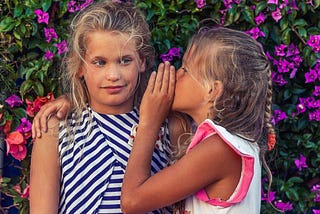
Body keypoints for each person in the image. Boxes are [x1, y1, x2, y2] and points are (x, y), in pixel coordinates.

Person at [29, 1, 182, 213]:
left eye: (125, 60)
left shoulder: (167, 126)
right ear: (80, 66)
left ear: (142, 61)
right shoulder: (56, 129)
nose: (113, 75)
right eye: (99, 62)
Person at [120, 27, 275, 213]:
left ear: (213, 90)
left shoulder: (220, 149)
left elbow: (132, 201)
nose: (175, 74)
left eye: (184, 70)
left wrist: (148, 122)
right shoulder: (226, 143)